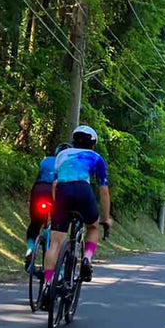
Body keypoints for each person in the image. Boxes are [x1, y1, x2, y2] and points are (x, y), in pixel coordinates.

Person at [43, 125, 111, 294]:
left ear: (74, 141)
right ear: (93, 143)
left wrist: (55, 206)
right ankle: (87, 259)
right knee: (93, 227)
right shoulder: (96, 158)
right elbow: (103, 191)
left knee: (56, 243)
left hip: (62, 193)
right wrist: (106, 217)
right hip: (83, 191)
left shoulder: (61, 155)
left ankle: (47, 285)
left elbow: (54, 184)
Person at [25, 143, 70, 270]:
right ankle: (57, 269)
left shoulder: (46, 161)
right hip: (55, 191)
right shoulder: (69, 164)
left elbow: (39, 177)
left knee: (34, 224)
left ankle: (30, 249)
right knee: (58, 229)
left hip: (39, 190)